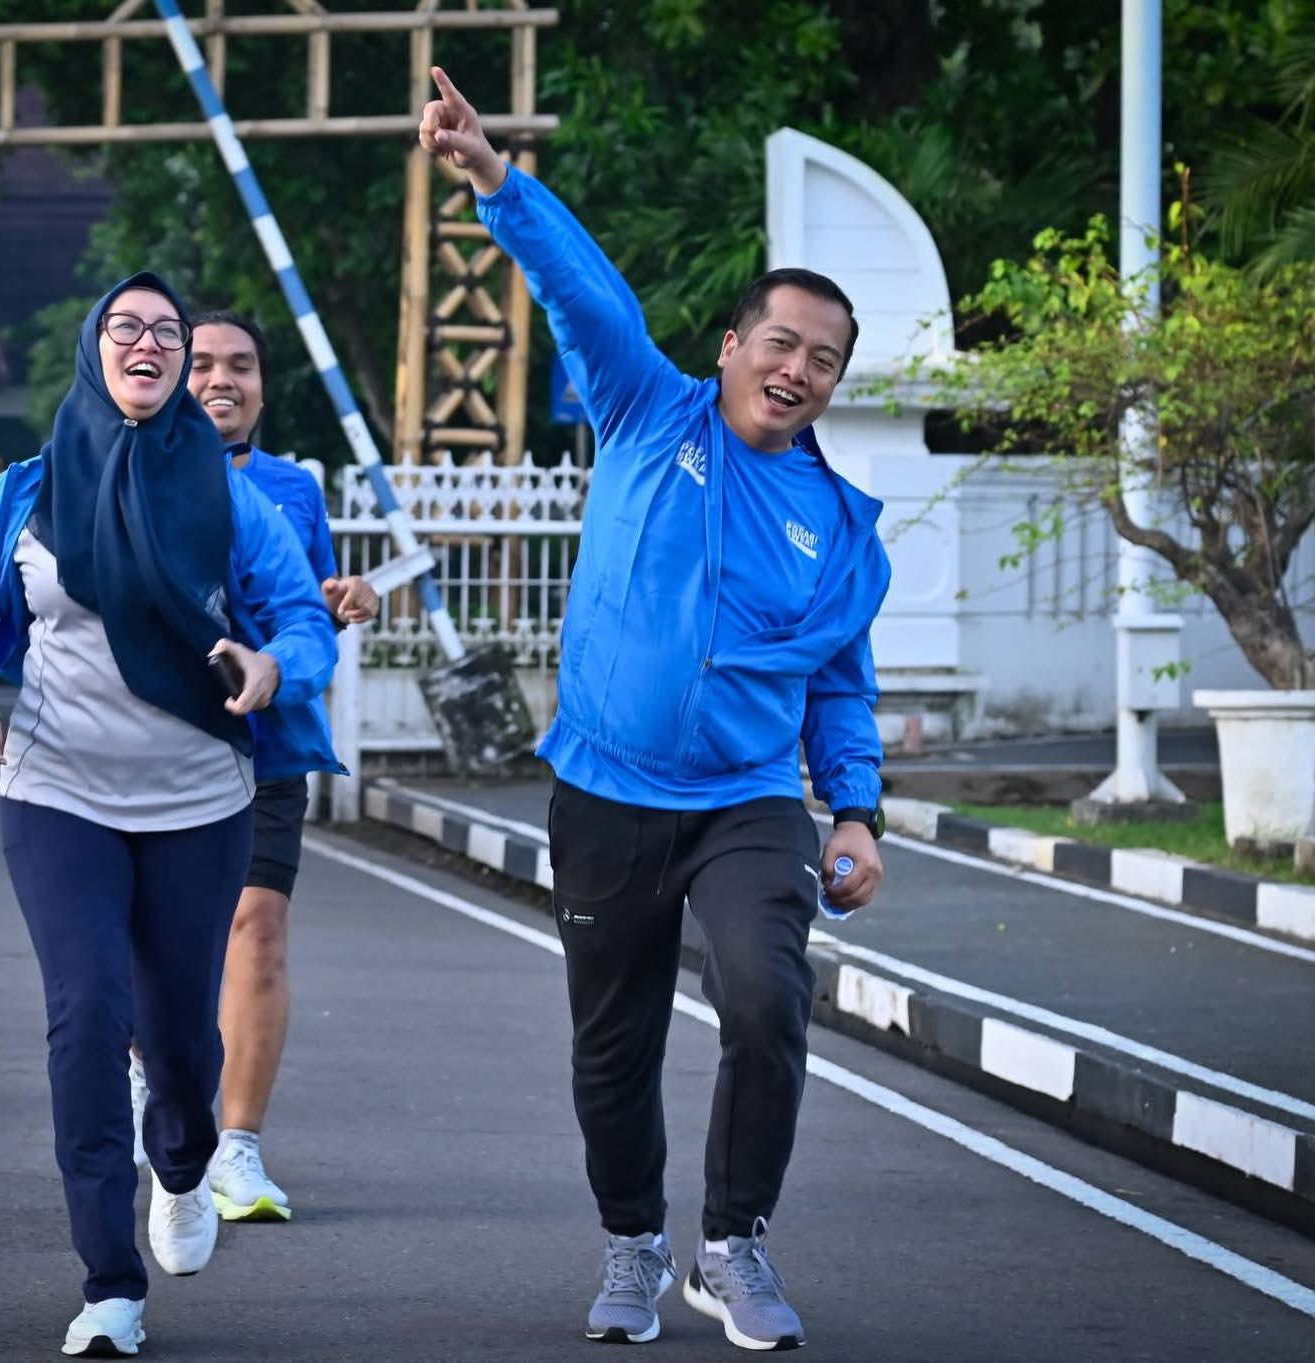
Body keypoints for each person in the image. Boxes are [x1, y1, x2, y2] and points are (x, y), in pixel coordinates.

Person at [421, 70, 892, 1352]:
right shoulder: (642, 412)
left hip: (745, 802)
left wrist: (853, 810)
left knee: (763, 995)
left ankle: (732, 1244)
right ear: (732, 348)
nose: (797, 371)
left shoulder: (840, 529)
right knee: (611, 1045)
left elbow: (838, 683)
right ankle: (632, 1239)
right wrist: (493, 182)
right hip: (607, 790)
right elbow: (587, 296)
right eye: (780, 344)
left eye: (825, 361)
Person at [0, 273, 340, 1358]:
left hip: (200, 800)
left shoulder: (227, 495)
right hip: (56, 793)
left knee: (183, 1043)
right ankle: (109, 1282)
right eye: (127, 327)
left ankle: (187, 1161)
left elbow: (299, 615)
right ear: (94, 351)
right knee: (88, 1015)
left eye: (168, 331)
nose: (147, 344)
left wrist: (273, 660)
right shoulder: (26, 488)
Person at [122, 310, 376, 1222]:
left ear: (264, 387)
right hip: (146, 745)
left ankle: (238, 1148)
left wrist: (343, 599)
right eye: (205, 364)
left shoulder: (293, 489)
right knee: (156, 947)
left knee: (256, 931)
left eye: (242, 365)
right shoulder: (118, 473)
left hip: (261, 746)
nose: (221, 378)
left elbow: (301, 603)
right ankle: (154, 1080)